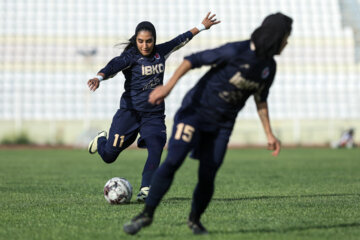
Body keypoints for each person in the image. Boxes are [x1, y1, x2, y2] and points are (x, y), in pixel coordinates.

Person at [123, 12, 293, 235]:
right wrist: (167, 88)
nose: (286, 42)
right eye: (285, 37)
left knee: (208, 174)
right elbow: (190, 61)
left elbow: (260, 99)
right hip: (194, 113)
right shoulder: (235, 51)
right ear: (275, 37)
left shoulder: (269, 67)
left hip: (222, 125)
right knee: (174, 160)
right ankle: (146, 215)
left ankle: (195, 220)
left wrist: (269, 134)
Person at [87, 13, 220, 202]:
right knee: (109, 156)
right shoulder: (130, 57)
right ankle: (101, 140)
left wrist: (202, 26)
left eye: (148, 41)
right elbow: (113, 66)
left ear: (154, 40)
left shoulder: (160, 52)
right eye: (140, 41)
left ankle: (146, 189)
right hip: (129, 113)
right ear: (136, 41)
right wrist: (98, 77)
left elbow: (180, 40)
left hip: (153, 115)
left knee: (156, 146)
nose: (144, 45)